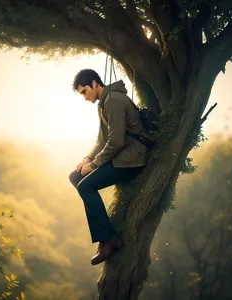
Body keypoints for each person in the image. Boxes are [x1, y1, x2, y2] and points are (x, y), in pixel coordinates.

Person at [69, 69, 149, 266]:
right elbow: (102, 139)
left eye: (84, 92)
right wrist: (87, 159)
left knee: (85, 187)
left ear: (95, 84)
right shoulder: (103, 103)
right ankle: (106, 234)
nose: (85, 98)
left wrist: (94, 164)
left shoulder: (113, 100)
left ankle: (109, 240)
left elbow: (116, 142)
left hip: (132, 160)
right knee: (75, 176)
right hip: (121, 156)